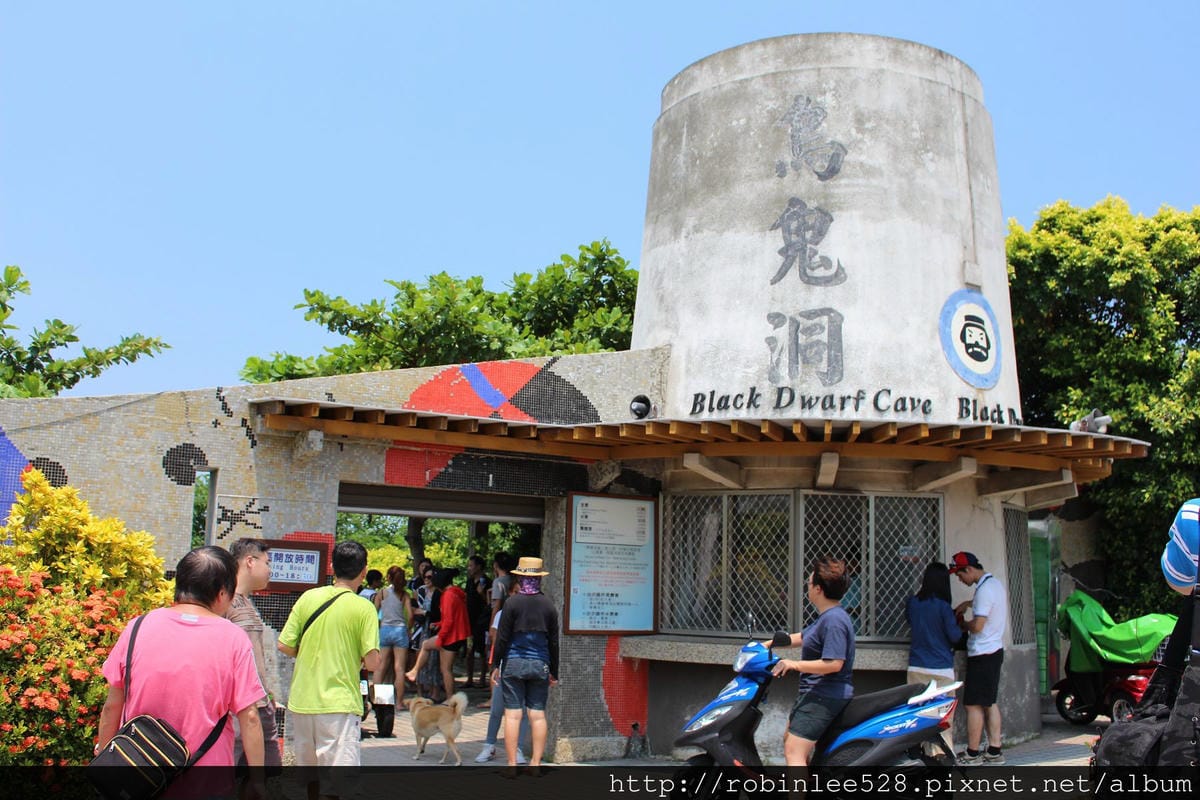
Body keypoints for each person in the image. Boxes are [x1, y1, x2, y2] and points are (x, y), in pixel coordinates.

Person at [97, 546, 266, 796]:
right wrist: (258, 780)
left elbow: (113, 704)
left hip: (141, 775)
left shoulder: (138, 627)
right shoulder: (234, 638)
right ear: (222, 594)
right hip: (207, 779)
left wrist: (105, 757)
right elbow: (250, 717)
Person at [278, 541, 381, 800]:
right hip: (338, 705)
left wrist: (313, 652)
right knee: (340, 782)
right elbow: (372, 662)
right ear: (364, 570)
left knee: (310, 778)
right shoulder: (363, 608)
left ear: (332, 566)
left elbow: (284, 644)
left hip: (302, 702)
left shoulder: (309, 597)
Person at [768, 555, 855, 767]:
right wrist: (765, 645)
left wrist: (793, 664)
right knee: (790, 741)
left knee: (793, 752)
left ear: (818, 589)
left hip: (823, 695)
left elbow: (834, 663)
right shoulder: (827, 617)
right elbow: (802, 637)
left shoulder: (834, 620)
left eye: (809, 582)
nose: (807, 586)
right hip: (814, 694)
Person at [491, 556, 559, 772]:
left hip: (513, 662)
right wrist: (554, 671)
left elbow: (502, 638)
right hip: (540, 663)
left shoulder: (512, 603)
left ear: (520, 578)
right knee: (537, 714)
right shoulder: (548, 605)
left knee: (513, 714)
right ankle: (536, 764)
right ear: (539, 578)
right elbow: (554, 642)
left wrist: (496, 665)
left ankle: (511, 765)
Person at [227, 538, 284, 781]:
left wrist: (269, 695)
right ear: (250, 561)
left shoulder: (248, 603)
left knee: (267, 779)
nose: (270, 570)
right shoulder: (226, 602)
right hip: (239, 709)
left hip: (261, 704)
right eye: (267, 562)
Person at [950, 550, 1008, 765]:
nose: (959, 579)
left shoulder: (984, 591)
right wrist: (968, 604)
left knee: (973, 705)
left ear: (970, 569)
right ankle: (994, 750)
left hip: (982, 653)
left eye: (960, 574)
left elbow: (978, 625)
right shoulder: (993, 585)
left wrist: (963, 624)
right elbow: (985, 607)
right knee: (989, 702)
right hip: (994, 651)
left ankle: (972, 754)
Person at [905, 561, 962, 754]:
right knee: (942, 719)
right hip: (941, 670)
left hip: (917, 668)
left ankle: (921, 757)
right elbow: (955, 636)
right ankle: (942, 759)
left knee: (919, 717)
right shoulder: (944, 607)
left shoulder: (913, 603)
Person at [475, 574, 530, 763]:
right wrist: (496, 666)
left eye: (521, 592)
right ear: (510, 593)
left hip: (525, 666)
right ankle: (489, 745)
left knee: (522, 711)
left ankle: (518, 749)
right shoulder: (502, 614)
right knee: (497, 709)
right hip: (505, 665)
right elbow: (497, 641)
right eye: (515, 592)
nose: (518, 596)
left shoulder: (533, 614)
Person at [405, 568, 471, 697]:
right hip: (457, 634)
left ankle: (415, 672)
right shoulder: (455, 593)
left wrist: (441, 638)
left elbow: (449, 620)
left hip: (451, 636)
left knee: (444, 667)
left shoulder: (448, 596)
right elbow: (451, 617)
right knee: (445, 668)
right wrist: (439, 624)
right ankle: (449, 697)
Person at [373, 565, 411, 711]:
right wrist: (409, 628)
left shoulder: (381, 593)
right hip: (400, 630)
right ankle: (399, 702)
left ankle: (377, 700)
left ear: (388, 577)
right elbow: (411, 615)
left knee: (380, 667)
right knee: (399, 669)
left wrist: (378, 626)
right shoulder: (404, 595)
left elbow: (374, 611)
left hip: (385, 629)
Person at [465, 554, 492, 687]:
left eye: (471, 565)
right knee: (469, 648)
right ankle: (469, 678)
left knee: (482, 649)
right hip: (469, 618)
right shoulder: (469, 581)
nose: (469, 568)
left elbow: (489, 603)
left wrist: (481, 593)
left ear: (479, 566)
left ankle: (482, 678)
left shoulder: (487, 581)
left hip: (482, 619)